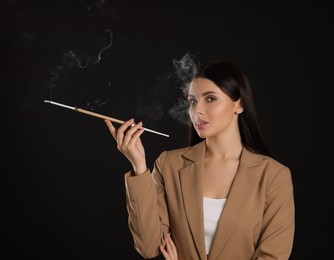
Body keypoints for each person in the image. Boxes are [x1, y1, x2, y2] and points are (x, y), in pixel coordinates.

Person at [105, 59, 295, 260]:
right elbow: (149, 246)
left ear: (239, 104)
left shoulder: (274, 176)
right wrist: (139, 166)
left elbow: (272, 256)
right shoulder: (168, 165)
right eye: (192, 101)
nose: (196, 110)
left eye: (210, 99)